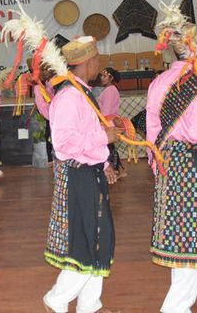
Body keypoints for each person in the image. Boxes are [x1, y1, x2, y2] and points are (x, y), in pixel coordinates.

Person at [146, 16, 197, 312]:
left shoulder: (158, 83)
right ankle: (175, 307)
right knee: (194, 235)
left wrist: (157, 164)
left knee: (180, 235)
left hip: (168, 161)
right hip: (192, 164)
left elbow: (152, 129)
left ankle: (180, 305)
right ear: (195, 48)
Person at [43, 36, 121, 313]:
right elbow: (64, 145)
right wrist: (103, 137)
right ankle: (58, 297)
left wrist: (104, 164)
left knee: (100, 237)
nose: (100, 64)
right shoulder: (68, 96)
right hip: (77, 178)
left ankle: (89, 304)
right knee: (89, 239)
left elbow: (84, 138)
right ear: (87, 62)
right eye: (97, 59)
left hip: (89, 172)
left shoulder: (82, 92)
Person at [98, 67, 126, 179]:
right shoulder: (110, 89)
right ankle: (118, 170)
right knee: (110, 147)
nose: (102, 78)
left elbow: (107, 109)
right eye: (101, 76)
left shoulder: (110, 90)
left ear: (111, 77)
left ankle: (116, 171)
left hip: (108, 121)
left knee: (109, 148)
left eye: (105, 76)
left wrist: (102, 123)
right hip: (108, 121)